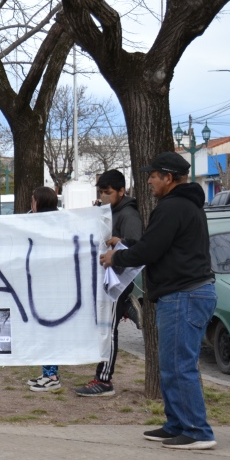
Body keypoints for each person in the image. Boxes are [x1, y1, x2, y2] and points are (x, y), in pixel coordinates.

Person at [100, 152, 217, 450]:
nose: (149, 180)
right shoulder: (181, 206)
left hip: (184, 294)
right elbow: (160, 246)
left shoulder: (174, 207)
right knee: (171, 364)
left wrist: (118, 256)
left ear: (169, 177)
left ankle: (197, 431)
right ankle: (176, 424)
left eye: (153, 175)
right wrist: (126, 243)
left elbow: (150, 251)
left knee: (180, 365)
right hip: (184, 293)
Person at [75, 170, 143, 397]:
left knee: (108, 331)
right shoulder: (108, 210)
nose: (104, 196)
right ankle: (128, 307)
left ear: (121, 191)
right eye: (101, 192)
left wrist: (120, 243)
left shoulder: (128, 215)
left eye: (108, 192)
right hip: (107, 279)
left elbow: (135, 246)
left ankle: (104, 380)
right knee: (103, 328)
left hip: (116, 282)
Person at [26, 186, 63, 393]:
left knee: (48, 329)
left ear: (38, 202)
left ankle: (52, 376)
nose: (30, 203)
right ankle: (47, 372)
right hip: (47, 284)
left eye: (32, 200)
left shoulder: (46, 224)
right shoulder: (54, 221)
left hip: (49, 286)